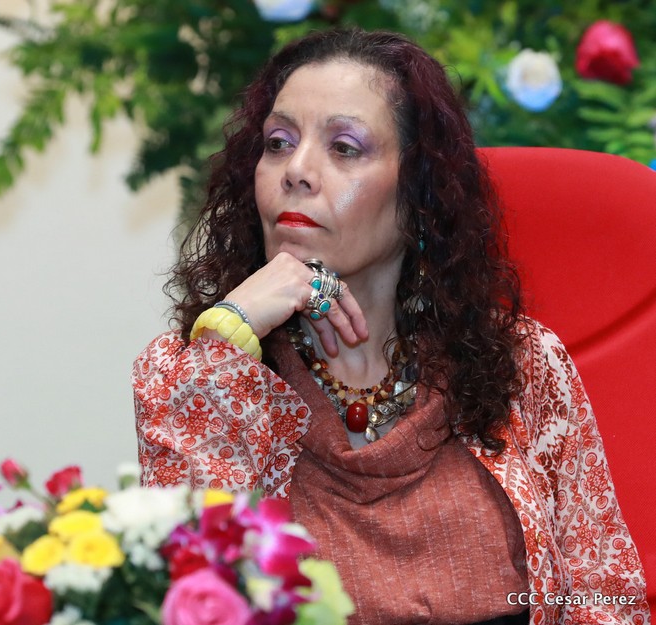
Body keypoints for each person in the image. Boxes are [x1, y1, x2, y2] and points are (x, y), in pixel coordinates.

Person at [132, 28, 649, 625]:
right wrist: (231, 334)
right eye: (278, 143)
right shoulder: (201, 372)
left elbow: (607, 600)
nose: (296, 170)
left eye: (344, 147)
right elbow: (191, 593)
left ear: (418, 193)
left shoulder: (521, 363)